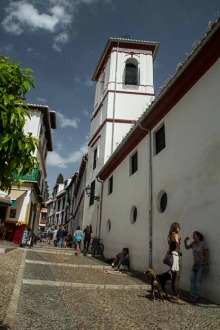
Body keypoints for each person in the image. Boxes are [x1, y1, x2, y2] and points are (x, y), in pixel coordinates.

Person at [184, 231, 209, 303]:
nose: (193, 236)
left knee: (197, 281)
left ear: (199, 236)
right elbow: (187, 247)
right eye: (193, 235)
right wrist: (185, 241)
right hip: (195, 265)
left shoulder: (203, 244)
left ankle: (195, 297)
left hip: (201, 265)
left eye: (194, 235)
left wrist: (206, 264)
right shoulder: (193, 243)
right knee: (192, 280)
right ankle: (191, 295)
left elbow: (206, 254)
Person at [167, 222, 183, 304]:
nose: (179, 229)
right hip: (176, 257)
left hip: (172, 256)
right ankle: (177, 298)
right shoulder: (175, 235)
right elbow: (176, 243)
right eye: (179, 227)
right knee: (177, 277)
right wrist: (178, 249)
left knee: (174, 277)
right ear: (176, 228)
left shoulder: (169, 236)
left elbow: (170, 245)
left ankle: (174, 296)